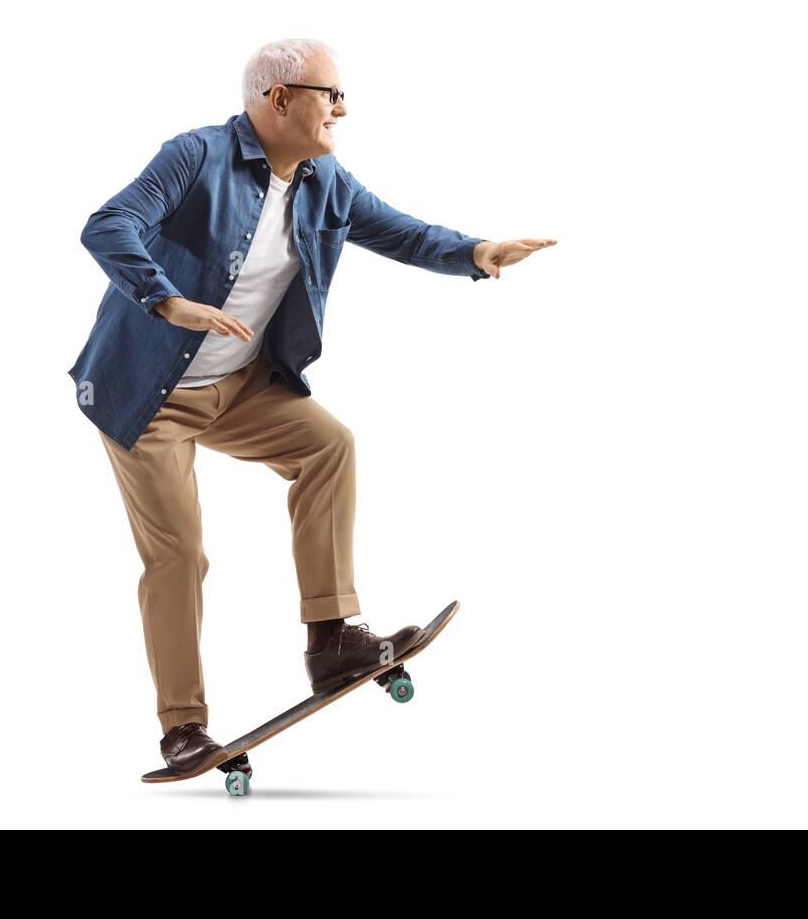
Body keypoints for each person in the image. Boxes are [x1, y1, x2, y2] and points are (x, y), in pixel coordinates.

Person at [69, 38, 556, 775]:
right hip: (149, 391)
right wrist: (169, 301)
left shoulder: (325, 180)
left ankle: (329, 640)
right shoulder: (195, 156)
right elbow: (108, 224)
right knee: (179, 555)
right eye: (329, 94)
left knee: (329, 446)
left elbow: (401, 231)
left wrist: (477, 252)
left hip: (240, 387)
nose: (342, 108)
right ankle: (183, 727)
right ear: (278, 98)